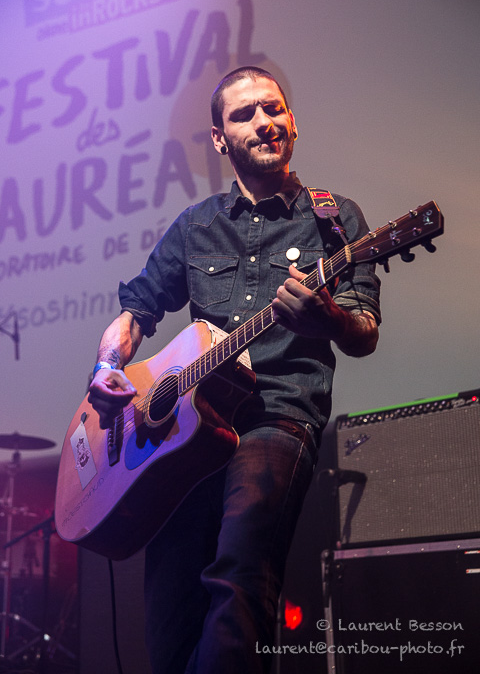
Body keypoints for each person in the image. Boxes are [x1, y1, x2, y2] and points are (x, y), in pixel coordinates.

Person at [87, 66, 381, 674]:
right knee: (169, 613)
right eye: (245, 114)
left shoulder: (335, 219)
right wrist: (109, 365)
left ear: (292, 123)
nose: (263, 121)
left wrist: (328, 318)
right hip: (187, 430)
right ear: (220, 139)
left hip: (278, 415)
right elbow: (137, 309)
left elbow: (364, 332)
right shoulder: (196, 226)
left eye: (273, 109)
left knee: (240, 575)